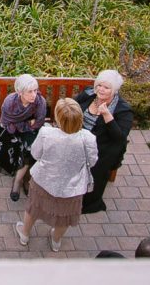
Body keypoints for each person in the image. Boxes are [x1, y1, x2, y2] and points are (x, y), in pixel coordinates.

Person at [15, 98, 97, 252]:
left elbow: (35, 153)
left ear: (58, 118)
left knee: (33, 208)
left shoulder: (47, 133)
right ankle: (56, 241)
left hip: (44, 181)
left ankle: (25, 234)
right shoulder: (88, 138)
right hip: (72, 187)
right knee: (65, 216)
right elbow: (92, 162)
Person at [75, 69, 134, 214]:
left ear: (114, 90)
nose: (100, 89)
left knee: (96, 164)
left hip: (101, 147)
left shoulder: (122, 110)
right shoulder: (89, 94)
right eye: (99, 85)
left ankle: (86, 203)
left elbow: (120, 138)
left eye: (106, 87)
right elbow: (72, 105)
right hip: (78, 138)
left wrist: (107, 115)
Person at [0, 74, 46, 202]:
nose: (34, 94)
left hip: (30, 130)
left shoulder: (40, 101)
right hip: (9, 130)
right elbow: (7, 122)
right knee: (14, 145)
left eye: (35, 90)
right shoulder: (10, 102)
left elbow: (39, 122)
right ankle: (21, 179)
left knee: (30, 148)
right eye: (29, 91)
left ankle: (18, 181)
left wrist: (22, 125)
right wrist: (28, 123)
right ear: (20, 92)